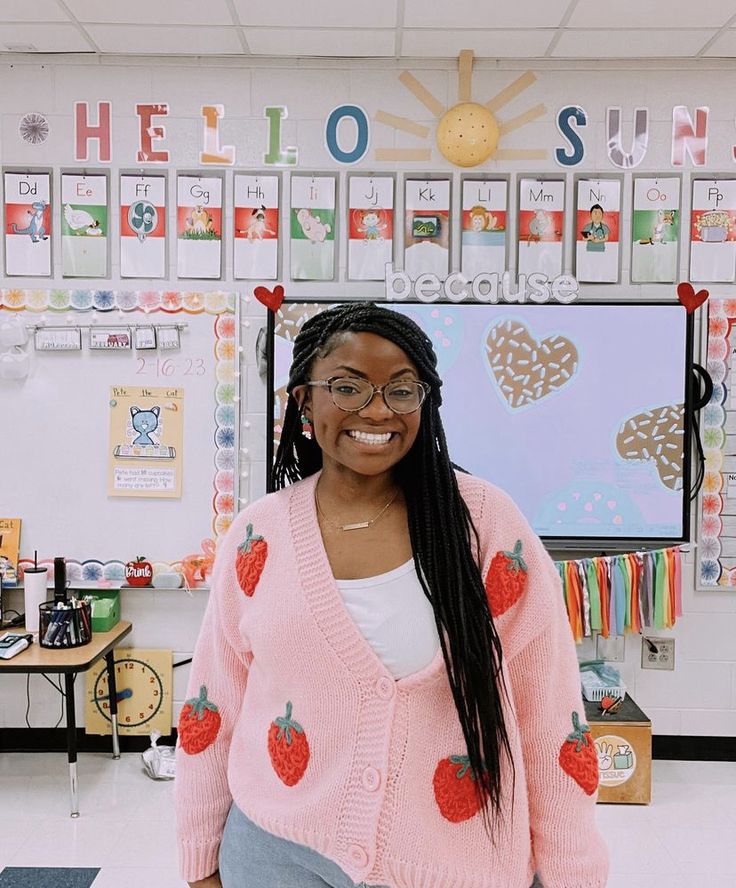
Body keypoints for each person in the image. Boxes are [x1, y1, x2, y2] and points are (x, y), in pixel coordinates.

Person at [174, 301, 609, 888]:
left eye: (402, 390)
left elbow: (550, 716)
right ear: (303, 399)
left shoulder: (486, 527)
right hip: (271, 854)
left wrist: (572, 876)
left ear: (425, 402)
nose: (376, 411)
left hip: (453, 866)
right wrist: (199, 863)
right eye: (346, 387)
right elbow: (213, 707)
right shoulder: (259, 536)